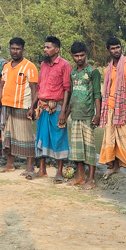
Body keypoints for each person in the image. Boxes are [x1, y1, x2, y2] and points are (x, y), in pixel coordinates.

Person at [0, 37, 39, 179]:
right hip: (7, 105)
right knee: (8, 135)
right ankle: (9, 164)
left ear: (23, 50)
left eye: (17, 49)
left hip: (23, 105)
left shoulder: (29, 66)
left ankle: (30, 166)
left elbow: (34, 89)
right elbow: (1, 87)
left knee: (26, 136)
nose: (15, 51)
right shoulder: (6, 66)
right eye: (12, 48)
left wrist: (33, 107)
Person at [99, 37, 126, 179]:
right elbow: (106, 90)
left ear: (121, 47)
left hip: (125, 108)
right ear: (108, 51)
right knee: (112, 139)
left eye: (118, 47)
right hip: (110, 108)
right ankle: (114, 167)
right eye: (113, 48)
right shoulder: (107, 70)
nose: (116, 50)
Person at [35, 36, 72, 181]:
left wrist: (64, 111)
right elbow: (39, 87)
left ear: (56, 49)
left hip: (56, 107)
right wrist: (33, 106)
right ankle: (42, 170)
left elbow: (67, 89)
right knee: (41, 137)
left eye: (48, 47)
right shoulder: (43, 65)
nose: (45, 50)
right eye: (44, 47)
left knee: (59, 138)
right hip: (42, 107)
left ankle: (59, 172)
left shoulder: (65, 65)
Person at [65, 41, 101, 189]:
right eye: (76, 56)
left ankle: (91, 180)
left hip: (88, 115)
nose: (79, 58)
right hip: (75, 115)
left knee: (89, 148)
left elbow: (97, 94)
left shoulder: (93, 71)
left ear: (86, 54)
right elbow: (72, 94)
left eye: (82, 55)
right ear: (72, 56)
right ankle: (80, 177)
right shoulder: (73, 73)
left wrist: (98, 114)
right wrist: (66, 114)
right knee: (77, 149)